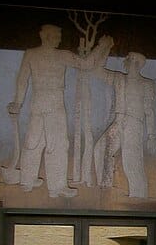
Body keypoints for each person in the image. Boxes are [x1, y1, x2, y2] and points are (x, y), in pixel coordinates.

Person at [8, 25, 113, 197]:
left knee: (33, 141)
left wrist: (18, 103)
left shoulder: (35, 54)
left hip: (38, 102)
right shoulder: (55, 55)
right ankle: (55, 187)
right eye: (56, 35)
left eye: (59, 35)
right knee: (55, 144)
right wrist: (101, 46)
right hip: (53, 103)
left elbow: (22, 81)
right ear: (45, 36)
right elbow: (85, 65)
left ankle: (27, 180)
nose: (58, 39)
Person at [93, 52, 156, 198]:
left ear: (140, 64)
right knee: (100, 149)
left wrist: (152, 135)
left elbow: (150, 111)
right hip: (118, 121)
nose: (131, 62)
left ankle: (139, 195)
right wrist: (104, 50)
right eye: (129, 59)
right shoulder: (119, 78)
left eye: (135, 60)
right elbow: (97, 71)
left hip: (134, 123)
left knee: (131, 161)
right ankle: (105, 184)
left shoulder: (147, 84)